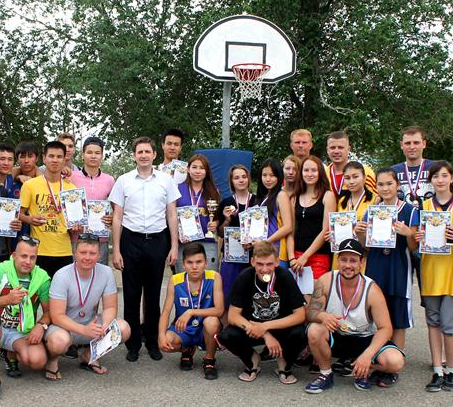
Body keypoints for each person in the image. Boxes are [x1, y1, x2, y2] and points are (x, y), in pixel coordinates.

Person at [109, 136, 180, 362]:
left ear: (154, 154)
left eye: (147, 151)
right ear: (134, 156)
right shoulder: (123, 181)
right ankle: (132, 344)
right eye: (139, 152)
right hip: (130, 240)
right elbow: (117, 217)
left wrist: (174, 246)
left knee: (152, 294)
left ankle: (152, 341)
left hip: (158, 240)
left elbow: (172, 214)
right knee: (131, 294)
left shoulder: (166, 181)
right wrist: (116, 249)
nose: (143, 155)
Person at [304, 239, 406, 393]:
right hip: (337, 335)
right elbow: (311, 312)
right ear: (337, 260)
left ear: (362, 262)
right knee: (314, 330)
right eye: (344, 260)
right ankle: (325, 374)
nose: (348, 265)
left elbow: (386, 328)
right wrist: (322, 316)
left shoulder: (372, 290)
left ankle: (363, 369)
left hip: (364, 338)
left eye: (353, 260)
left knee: (395, 362)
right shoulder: (326, 280)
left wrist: (367, 355)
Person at [358, 168, 418, 388]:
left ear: (397, 185)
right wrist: (360, 232)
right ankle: (379, 363)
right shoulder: (372, 211)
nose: (385, 188)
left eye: (389, 184)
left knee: (398, 320)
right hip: (376, 268)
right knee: (376, 318)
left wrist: (408, 233)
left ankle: (394, 367)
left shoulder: (410, 210)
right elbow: (365, 246)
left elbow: (414, 247)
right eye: (381, 184)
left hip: (398, 270)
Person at [0, 237, 52, 401]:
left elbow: (49, 312)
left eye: (32, 257)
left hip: (20, 331)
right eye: (23, 256)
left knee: (37, 361)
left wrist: (41, 325)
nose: (28, 261)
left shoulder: (42, 278)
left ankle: (11, 354)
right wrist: (7, 299)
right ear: (14, 255)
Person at [216, 241, 307, 384]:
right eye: (260, 264)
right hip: (252, 329)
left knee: (300, 334)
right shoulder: (245, 276)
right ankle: (252, 359)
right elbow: (232, 316)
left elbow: (300, 315)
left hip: (280, 328)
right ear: (252, 261)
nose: (265, 269)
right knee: (227, 336)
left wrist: (265, 326)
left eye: (269, 264)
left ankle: (284, 363)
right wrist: (264, 333)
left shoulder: (285, 276)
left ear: (277, 262)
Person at [413, 160, 453, 392]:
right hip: (430, 271)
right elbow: (415, 239)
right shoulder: (423, 206)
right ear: (431, 180)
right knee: (433, 322)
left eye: (444, 175)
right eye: (436, 176)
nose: (440, 180)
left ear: (451, 178)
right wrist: (417, 237)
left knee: (449, 325)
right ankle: (437, 370)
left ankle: (451, 370)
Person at [45, 234, 131, 378]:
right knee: (58, 342)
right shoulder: (61, 275)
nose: (87, 257)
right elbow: (57, 316)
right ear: (75, 253)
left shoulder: (106, 272)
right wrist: (84, 330)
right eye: (83, 252)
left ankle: (90, 354)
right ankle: (52, 360)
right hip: (65, 328)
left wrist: (105, 326)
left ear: (99, 255)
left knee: (123, 329)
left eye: (92, 253)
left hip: (91, 325)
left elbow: (110, 307)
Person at [159, 243, 224, 379]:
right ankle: (187, 349)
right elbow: (165, 311)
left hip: (205, 328)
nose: (194, 267)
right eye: (190, 262)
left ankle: (209, 360)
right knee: (167, 341)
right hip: (184, 327)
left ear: (206, 263)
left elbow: (219, 310)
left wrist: (191, 312)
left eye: (199, 262)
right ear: (183, 264)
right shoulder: (175, 280)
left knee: (212, 322)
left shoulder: (214, 277)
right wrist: (161, 335)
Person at [19, 141, 80, 278]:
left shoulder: (72, 189)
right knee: (38, 291)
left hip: (64, 252)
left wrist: (77, 228)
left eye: (59, 157)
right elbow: (18, 214)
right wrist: (29, 219)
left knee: (62, 291)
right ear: (44, 158)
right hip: (37, 251)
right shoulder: (30, 185)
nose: (55, 160)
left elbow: (76, 224)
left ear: (64, 160)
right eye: (51, 156)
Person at [215, 165, 258, 307]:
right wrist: (227, 220)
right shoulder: (226, 202)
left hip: (253, 256)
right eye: (236, 177)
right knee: (228, 295)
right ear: (231, 181)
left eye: (244, 177)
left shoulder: (257, 201)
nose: (241, 180)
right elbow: (220, 233)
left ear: (248, 179)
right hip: (231, 257)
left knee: (250, 296)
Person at [289, 155, 336, 281]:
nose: (309, 174)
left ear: (320, 172)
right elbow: (290, 231)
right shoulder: (295, 197)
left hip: (318, 256)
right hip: (296, 256)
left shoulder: (328, 196)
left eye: (314, 170)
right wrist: (291, 257)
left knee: (315, 293)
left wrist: (306, 256)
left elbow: (325, 230)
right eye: (306, 170)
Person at [70, 137, 115, 265]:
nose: (93, 156)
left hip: (100, 240)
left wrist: (112, 218)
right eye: (89, 152)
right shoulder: (71, 177)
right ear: (83, 154)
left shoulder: (109, 180)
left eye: (97, 153)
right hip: (76, 238)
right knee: (75, 273)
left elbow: (117, 210)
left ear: (102, 156)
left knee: (99, 273)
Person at [326, 161, 377, 271]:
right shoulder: (342, 202)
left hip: (363, 255)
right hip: (342, 252)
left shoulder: (374, 200)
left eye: (355, 177)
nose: (351, 181)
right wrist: (333, 234)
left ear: (364, 178)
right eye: (347, 178)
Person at [175, 154, 220, 271]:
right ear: (188, 169)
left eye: (202, 168)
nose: (198, 171)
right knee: (184, 279)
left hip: (207, 242)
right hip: (184, 243)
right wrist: (177, 234)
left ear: (206, 171)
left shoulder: (214, 191)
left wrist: (216, 223)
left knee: (209, 279)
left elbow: (218, 217)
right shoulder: (177, 189)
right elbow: (171, 215)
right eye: (194, 167)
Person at [256, 159, 293, 267]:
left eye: (272, 175)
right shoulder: (262, 197)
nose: (268, 179)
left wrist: (266, 242)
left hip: (277, 251)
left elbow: (288, 227)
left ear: (279, 176)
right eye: (264, 175)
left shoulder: (281, 195)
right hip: (262, 251)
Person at [390, 126, 434, 207]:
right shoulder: (392, 171)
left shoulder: (436, 168)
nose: (412, 147)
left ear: (424, 144)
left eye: (416, 143)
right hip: (401, 214)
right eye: (407, 143)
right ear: (401, 145)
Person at [325, 131, 376, 198]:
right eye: (332, 148)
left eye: (340, 147)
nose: (336, 151)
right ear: (327, 150)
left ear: (348, 149)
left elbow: (376, 198)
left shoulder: (365, 171)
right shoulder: (322, 175)